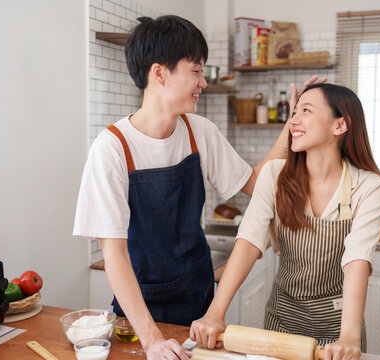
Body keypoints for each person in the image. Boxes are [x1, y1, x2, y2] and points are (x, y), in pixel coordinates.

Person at [73, 15, 323, 360]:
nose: (203, 82)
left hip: (198, 300)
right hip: (140, 315)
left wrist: (291, 123)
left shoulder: (198, 131)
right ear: (159, 73)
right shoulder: (112, 147)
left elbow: (254, 183)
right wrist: (152, 341)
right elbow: (114, 254)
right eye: (196, 70)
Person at [190, 83, 380, 360]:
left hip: (337, 329)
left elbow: (357, 259)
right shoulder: (274, 175)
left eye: (305, 111)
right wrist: (214, 313)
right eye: (294, 112)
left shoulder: (369, 187)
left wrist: (349, 337)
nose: (293, 120)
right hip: (281, 322)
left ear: (340, 125)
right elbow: (248, 241)